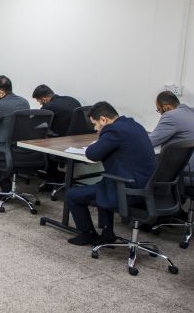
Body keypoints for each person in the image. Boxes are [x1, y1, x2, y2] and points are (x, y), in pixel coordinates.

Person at [65, 102, 156, 245]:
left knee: (72, 194)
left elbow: (92, 154)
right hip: (146, 186)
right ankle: (107, 233)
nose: (95, 129)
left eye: (95, 124)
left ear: (103, 119)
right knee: (104, 183)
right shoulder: (133, 125)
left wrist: (98, 141)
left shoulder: (114, 130)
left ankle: (87, 234)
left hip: (128, 189)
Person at [149, 90, 194, 186]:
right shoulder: (190, 111)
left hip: (182, 175)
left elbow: (150, 142)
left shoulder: (171, 116)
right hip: (189, 171)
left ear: (166, 107)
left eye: (159, 110)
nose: (160, 113)